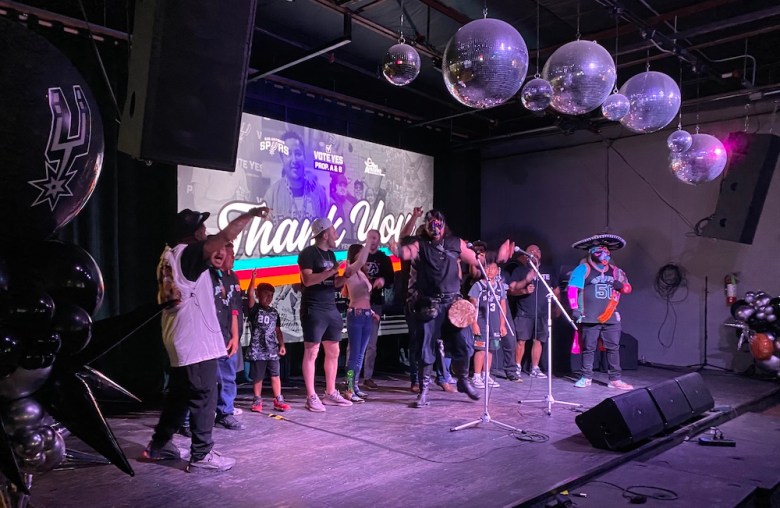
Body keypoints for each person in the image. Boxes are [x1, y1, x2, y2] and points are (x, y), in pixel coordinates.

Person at [145, 205, 270, 472]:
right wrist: (250, 215)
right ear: (192, 234)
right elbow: (224, 236)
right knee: (204, 393)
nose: (205, 230)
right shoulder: (187, 254)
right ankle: (202, 453)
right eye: (201, 226)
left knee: (180, 395)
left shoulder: (171, 256)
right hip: (194, 342)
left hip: (181, 337)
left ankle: (159, 444)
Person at [391, 209, 514, 408]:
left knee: (464, 345)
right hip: (429, 304)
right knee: (426, 350)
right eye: (430, 222)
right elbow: (405, 252)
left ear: (444, 224)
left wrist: (496, 257)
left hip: (453, 305)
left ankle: (464, 381)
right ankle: (424, 391)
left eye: (438, 222)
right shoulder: (421, 245)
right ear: (426, 225)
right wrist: (397, 250)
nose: (435, 226)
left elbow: (477, 260)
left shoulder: (455, 243)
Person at [298, 217, 353, 412]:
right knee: (312, 352)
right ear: (325, 234)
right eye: (333, 230)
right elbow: (307, 280)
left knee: (334, 351)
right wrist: (333, 272)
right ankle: (311, 396)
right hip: (314, 307)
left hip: (331, 307)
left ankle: (330, 393)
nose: (336, 234)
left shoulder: (330, 254)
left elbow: (334, 284)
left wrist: (344, 276)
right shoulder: (308, 253)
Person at [567, 234, 634, 390]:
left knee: (613, 347)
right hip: (590, 315)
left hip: (610, 315)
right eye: (599, 251)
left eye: (607, 251)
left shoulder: (616, 271)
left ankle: (615, 379)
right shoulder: (584, 269)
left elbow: (628, 288)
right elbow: (572, 290)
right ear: (591, 252)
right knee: (589, 348)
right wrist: (575, 308)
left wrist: (621, 287)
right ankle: (586, 377)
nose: (604, 255)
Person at [506, 244, 559, 379]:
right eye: (530, 251)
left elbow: (557, 290)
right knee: (521, 341)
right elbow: (511, 290)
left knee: (538, 340)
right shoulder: (520, 271)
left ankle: (535, 368)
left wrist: (556, 307)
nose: (534, 253)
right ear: (525, 254)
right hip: (525, 312)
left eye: (537, 251)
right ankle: (516, 367)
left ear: (540, 254)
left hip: (543, 312)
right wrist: (524, 288)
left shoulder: (549, 270)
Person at [210, 240, 245, 431]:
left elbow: (235, 308)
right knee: (205, 380)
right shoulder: (211, 276)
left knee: (228, 377)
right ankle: (189, 419)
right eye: (230, 255)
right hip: (211, 335)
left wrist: (235, 335)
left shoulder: (234, 278)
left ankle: (225, 412)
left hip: (229, 335)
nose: (232, 258)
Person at [340, 242, 378, 403]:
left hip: (367, 314)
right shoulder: (350, 271)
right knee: (354, 355)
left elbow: (354, 294)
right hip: (355, 314)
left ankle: (355, 385)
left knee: (361, 354)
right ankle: (349, 387)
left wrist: (372, 312)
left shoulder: (362, 274)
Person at [246, 274, 290, 412]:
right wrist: (253, 278)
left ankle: (278, 399)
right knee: (258, 376)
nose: (268, 298)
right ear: (259, 295)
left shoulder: (274, 312)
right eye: (265, 295)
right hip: (258, 349)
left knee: (275, 374)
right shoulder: (255, 309)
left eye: (271, 295)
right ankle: (257, 399)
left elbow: (278, 331)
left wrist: (281, 345)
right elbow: (250, 294)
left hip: (272, 349)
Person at [263, 130, 328, 221]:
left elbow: (327, 229)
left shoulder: (318, 192)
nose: (294, 160)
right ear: (282, 159)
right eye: (288, 154)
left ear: (304, 157)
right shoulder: (272, 194)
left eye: (298, 154)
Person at [360, 229, 395, 390]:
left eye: (375, 238)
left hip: (375, 303)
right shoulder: (359, 255)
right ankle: (349, 378)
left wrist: (383, 280)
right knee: (354, 345)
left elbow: (391, 279)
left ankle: (367, 377)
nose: (372, 241)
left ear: (379, 240)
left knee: (371, 343)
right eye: (369, 238)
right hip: (357, 303)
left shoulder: (383, 258)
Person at [468, 253, 508, 389]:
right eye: (487, 268)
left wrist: (502, 324)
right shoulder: (478, 286)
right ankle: (477, 376)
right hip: (481, 322)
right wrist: (474, 324)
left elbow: (503, 306)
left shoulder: (500, 287)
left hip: (495, 324)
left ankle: (487, 375)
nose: (490, 271)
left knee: (490, 349)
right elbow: (472, 306)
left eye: (493, 268)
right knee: (481, 350)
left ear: (497, 271)